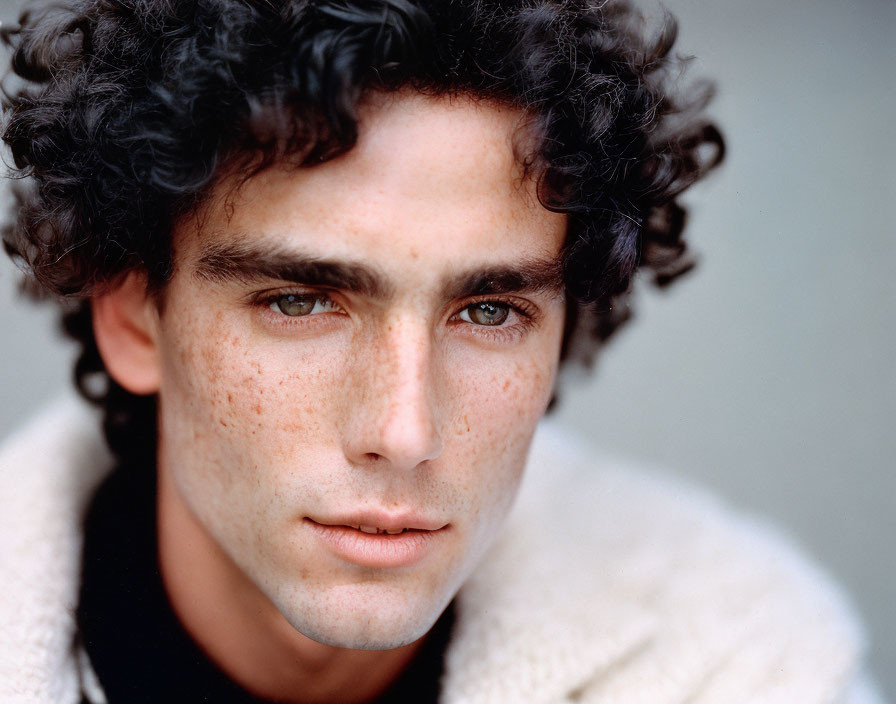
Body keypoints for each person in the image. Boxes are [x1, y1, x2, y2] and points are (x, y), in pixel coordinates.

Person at [0, 0, 881, 702]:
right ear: (131, 319)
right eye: (301, 301)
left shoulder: (743, 663)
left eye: (489, 311)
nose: (405, 430)